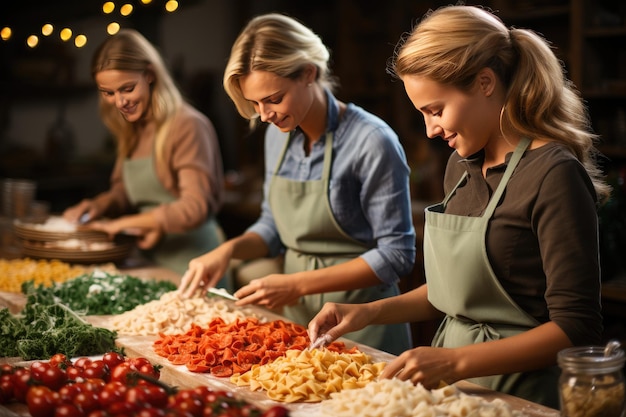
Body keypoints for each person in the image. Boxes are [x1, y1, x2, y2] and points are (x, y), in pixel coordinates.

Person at [307, 4, 609, 408]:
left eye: (436, 110)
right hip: (452, 393)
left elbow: (577, 328)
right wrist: (367, 312)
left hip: (519, 396)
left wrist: (455, 361)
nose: (431, 129)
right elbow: (456, 293)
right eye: (424, 114)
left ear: (485, 82)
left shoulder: (554, 174)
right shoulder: (461, 165)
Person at [177, 13, 416, 355]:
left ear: (309, 73)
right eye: (255, 103)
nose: (264, 115)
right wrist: (227, 251)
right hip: (296, 324)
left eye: (273, 99)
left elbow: (397, 255)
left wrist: (296, 284)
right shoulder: (277, 135)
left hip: (364, 324)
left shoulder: (372, 141)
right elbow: (273, 227)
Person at [63, 29, 226, 278]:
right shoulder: (131, 129)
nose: (119, 102)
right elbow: (124, 193)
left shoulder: (187, 125)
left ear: (150, 75)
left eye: (127, 89)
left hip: (195, 263)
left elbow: (195, 207)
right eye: (108, 93)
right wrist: (98, 205)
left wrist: (122, 224)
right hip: (149, 260)